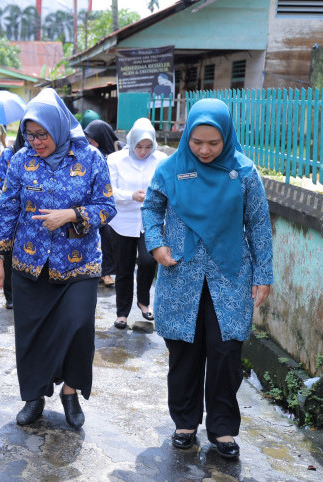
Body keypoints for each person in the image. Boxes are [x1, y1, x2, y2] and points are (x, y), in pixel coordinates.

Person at [142, 98, 273, 459]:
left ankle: (223, 428)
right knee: (184, 350)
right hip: (180, 272)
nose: (204, 150)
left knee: (226, 352)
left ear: (227, 137)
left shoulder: (245, 173)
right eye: (197, 142)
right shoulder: (170, 169)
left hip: (230, 275)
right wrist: (156, 244)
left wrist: (263, 274)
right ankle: (185, 422)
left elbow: (259, 224)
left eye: (213, 143)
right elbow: (152, 208)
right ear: (187, 137)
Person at [0, 88, 116, 428]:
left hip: (79, 264)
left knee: (78, 327)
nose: (35, 141)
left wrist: (71, 215)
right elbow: (9, 211)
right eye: (28, 135)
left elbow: (107, 208)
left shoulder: (90, 158)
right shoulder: (20, 161)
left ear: (58, 127)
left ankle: (71, 392)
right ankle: (34, 395)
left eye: (41, 134)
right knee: (31, 333)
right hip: (31, 264)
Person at [106, 118, 167, 330]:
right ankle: (122, 312)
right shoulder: (115, 160)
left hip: (150, 220)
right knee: (123, 266)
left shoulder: (161, 160)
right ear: (131, 142)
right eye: (139, 146)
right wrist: (131, 195)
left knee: (149, 261)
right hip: (122, 220)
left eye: (148, 147)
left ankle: (143, 301)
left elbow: (167, 187)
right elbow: (109, 191)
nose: (143, 151)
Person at [84, 119, 123, 288]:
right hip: (95, 202)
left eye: (91, 139)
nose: (89, 143)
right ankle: (101, 270)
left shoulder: (118, 152)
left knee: (108, 236)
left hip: (117, 203)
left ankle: (107, 271)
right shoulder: (90, 154)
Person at [0, 128, 25, 310]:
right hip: (11, 208)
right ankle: (10, 295)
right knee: (8, 255)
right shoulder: (10, 154)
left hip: (29, 215)